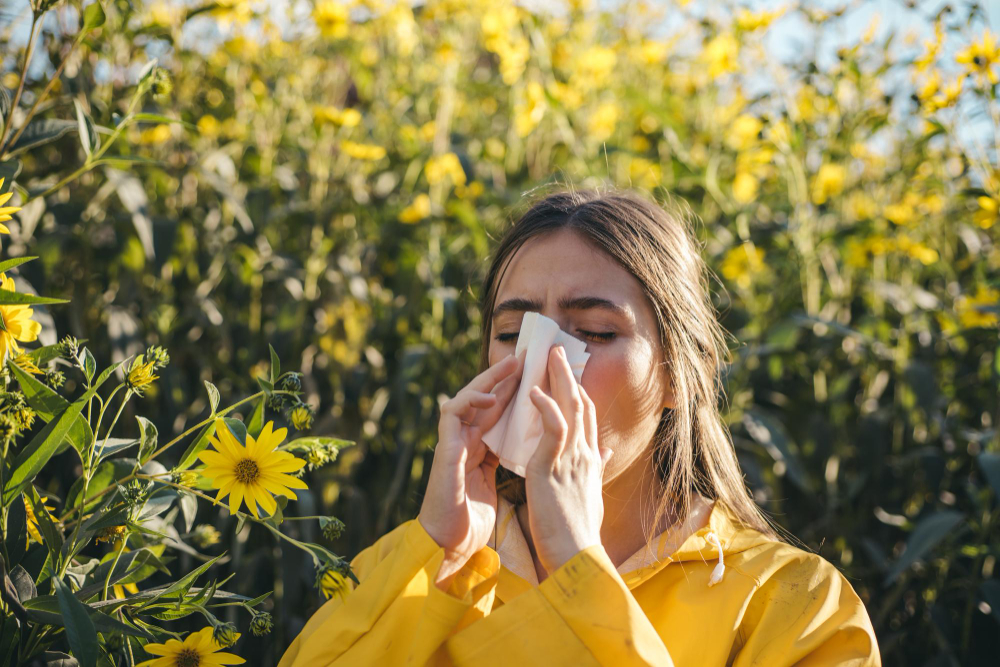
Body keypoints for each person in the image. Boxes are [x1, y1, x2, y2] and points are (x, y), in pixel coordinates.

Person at [279, 187, 881, 666]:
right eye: (513, 335)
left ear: (679, 375)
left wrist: (577, 565)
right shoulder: (413, 565)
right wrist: (438, 546)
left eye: (592, 333)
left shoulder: (794, 604)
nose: (541, 365)